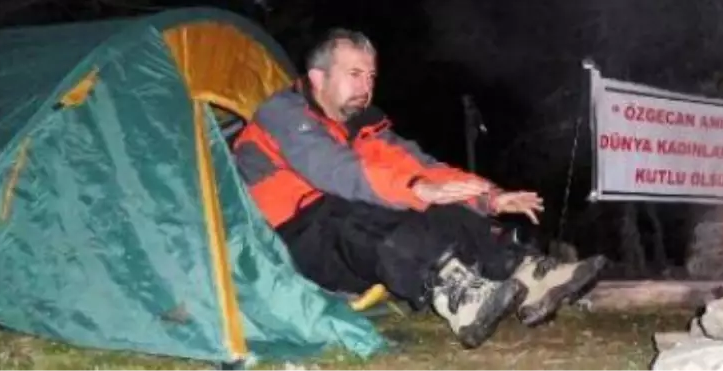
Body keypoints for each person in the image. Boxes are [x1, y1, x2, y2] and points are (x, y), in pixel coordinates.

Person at [231, 28, 606, 348]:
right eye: (355, 74)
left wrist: (487, 196)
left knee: (430, 199)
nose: (367, 87)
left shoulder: (362, 125)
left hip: (346, 231)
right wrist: (415, 188)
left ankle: (523, 271)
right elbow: (334, 171)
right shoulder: (282, 112)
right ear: (318, 78)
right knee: (349, 205)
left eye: (372, 77)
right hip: (284, 244)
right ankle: (454, 292)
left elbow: (421, 168)